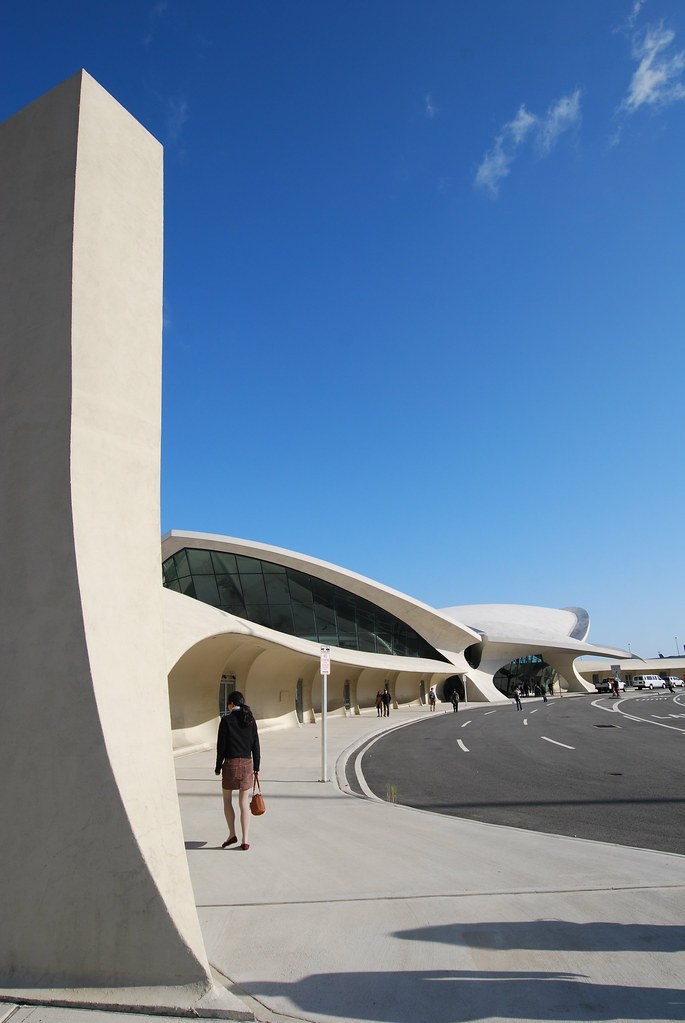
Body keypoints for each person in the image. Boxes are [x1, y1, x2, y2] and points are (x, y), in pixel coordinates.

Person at [215, 690, 260, 851]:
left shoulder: (226, 721)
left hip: (230, 764)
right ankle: (245, 840)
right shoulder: (250, 720)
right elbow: (256, 745)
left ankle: (231, 834)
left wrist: (217, 767)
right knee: (243, 803)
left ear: (231, 704)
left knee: (227, 801)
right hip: (247, 763)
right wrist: (256, 768)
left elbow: (221, 747)